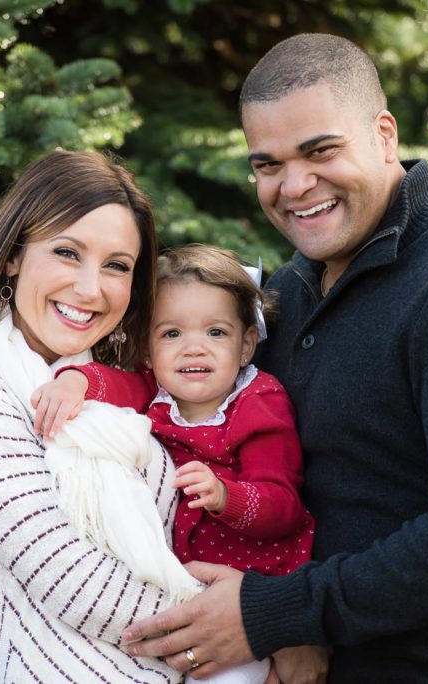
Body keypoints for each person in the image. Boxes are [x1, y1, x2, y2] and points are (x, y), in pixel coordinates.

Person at [120, 33, 428, 683]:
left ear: (384, 135)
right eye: (267, 164)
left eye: (320, 150)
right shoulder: (287, 297)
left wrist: (278, 612)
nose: (295, 186)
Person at [0, 150, 186, 683]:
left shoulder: (122, 391)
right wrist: (243, 625)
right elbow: (73, 582)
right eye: (66, 252)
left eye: (116, 266)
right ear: (12, 254)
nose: (89, 288)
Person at [32, 245, 316, 683]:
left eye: (216, 333)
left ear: (246, 345)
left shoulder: (259, 404)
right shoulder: (154, 393)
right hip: (176, 592)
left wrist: (227, 496)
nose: (193, 348)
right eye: (172, 334)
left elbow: (283, 507)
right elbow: (114, 385)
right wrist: (75, 379)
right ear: (147, 347)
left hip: (248, 595)